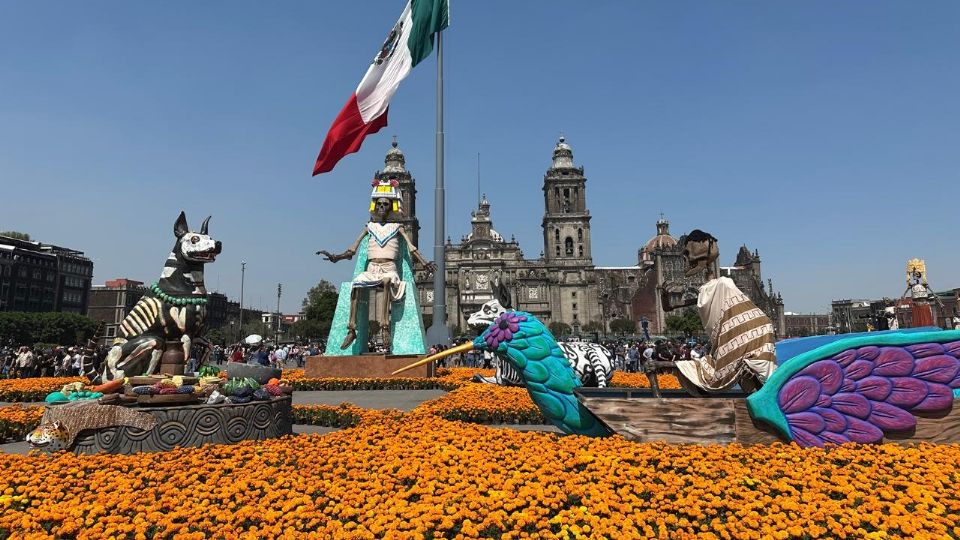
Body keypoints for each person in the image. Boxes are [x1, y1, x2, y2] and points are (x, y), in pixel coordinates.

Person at [317, 177, 436, 351]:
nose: (381, 207)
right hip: (372, 268)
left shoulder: (398, 228)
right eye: (378, 204)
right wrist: (336, 257)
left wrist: (425, 263)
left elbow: (411, 248)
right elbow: (352, 249)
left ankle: (384, 326)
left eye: (385, 204)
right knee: (356, 284)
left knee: (386, 281)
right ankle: (352, 328)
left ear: (392, 206)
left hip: (389, 268)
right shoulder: (369, 227)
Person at [662, 230, 776, 393]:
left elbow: (671, 307)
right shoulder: (709, 291)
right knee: (753, 377)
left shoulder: (723, 284)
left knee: (720, 372)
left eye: (688, 255)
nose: (685, 261)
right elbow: (669, 307)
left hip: (749, 332)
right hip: (759, 329)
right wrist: (664, 295)